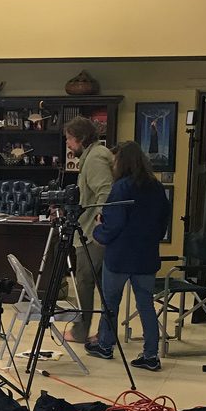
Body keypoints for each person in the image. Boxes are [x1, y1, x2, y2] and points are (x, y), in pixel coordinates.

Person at [86, 141, 169, 371]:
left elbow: (115, 222)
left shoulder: (121, 187)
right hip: (146, 255)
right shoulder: (156, 187)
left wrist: (98, 230)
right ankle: (151, 355)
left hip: (120, 255)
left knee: (110, 302)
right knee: (146, 304)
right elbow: (163, 220)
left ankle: (105, 345)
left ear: (121, 162)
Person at [62, 116, 114, 343]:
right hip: (94, 231)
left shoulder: (94, 158)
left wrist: (101, 223)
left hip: (93, 234)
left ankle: (80, 331)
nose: (68, 144)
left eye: (70, 139)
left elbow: (105, 191)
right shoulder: (95, 155)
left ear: (81, 138)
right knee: (104, 286)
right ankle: (104, 334)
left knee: (85, 282)